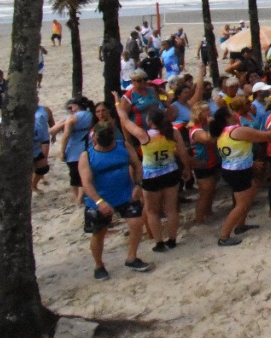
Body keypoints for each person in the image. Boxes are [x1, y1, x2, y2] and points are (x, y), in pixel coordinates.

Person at [208, 104, 271, 246]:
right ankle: (223, 237)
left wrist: (251, 162)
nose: (235, 113)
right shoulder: (238, 131)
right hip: (238, 172)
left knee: (251, 191)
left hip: (235, 169)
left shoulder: (222, 132)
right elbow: (269, 136)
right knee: (241, 205)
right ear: (227, 118)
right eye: (232, 112)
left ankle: (241, 225)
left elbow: (235, 151)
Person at [113, 100, 191, 254]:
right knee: (171, 209)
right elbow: (182, 152)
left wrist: (117, 103)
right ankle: (173, 239)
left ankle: (159, 242)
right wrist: (187, 167)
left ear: (149, 121)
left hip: (152, 176)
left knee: (152, 211)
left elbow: (125, 120)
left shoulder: (145, 135)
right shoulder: (173, 132)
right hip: (171, 172)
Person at [78, 123, 152, 280]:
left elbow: (137, 166)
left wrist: (138, 184)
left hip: (126, 194)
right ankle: (98, 265)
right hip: (100, 199)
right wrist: (99, 202)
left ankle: (132, 257)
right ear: (94, 138)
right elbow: (87, 183)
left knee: (137, 223)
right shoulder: (87, 156)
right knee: (99, 233)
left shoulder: (123, 146)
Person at [52, 96, 96, 206]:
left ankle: (78, 198)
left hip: (74, 149)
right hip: (89, 147)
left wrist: (62, 151)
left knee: (75, 176)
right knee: (86, 174)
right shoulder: (92, 115)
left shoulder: (72, 118)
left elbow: (61, 133)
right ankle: (83, 196)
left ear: (75, 106)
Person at [186, 101, 221, 224]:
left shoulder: (205, 126)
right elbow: (208, 139)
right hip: (203, 162)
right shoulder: (196, 129)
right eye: (206, 111)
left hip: (213, 159)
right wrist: (212, 124)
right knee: (205, 191)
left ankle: (208, 211)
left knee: (212, 189)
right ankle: (200, 218)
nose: (209, 112)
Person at [32, 102, 54, 193]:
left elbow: (51, 121)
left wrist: (54, 133)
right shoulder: (24, 111)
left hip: (44, 138)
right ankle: (34, 183)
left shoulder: (44, 109)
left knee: (43, 161)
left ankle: (40, 178)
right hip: (33, 140)